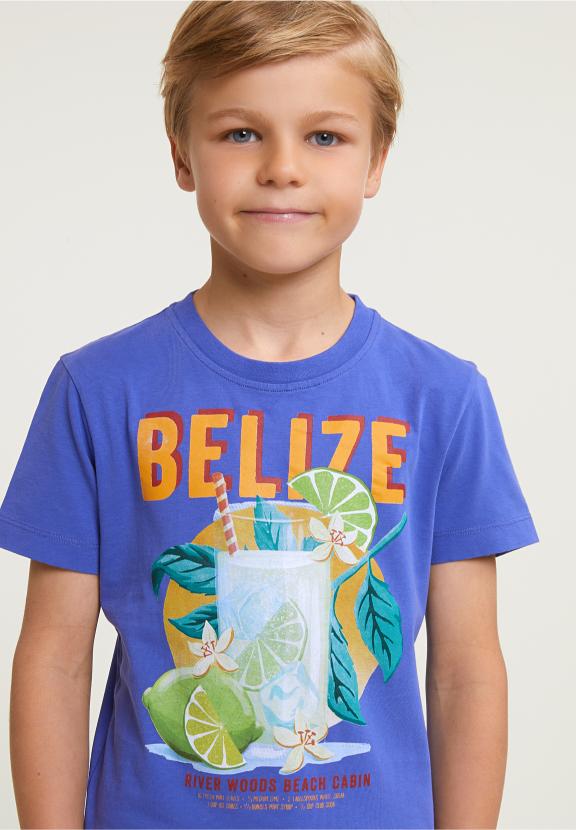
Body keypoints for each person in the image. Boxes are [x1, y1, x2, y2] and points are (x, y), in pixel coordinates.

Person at [1, 2, 539, 829]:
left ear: (376, 159)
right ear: (181, 154)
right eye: (241, 133)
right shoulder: (97, 389)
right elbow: (54, 661)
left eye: (324, 136)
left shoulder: (443, 397)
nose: (283, 168)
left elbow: (466, 671)